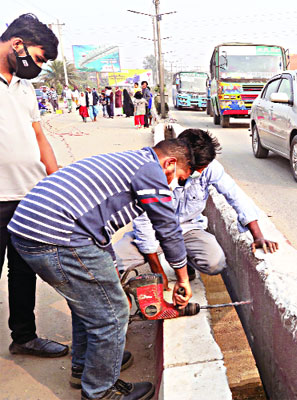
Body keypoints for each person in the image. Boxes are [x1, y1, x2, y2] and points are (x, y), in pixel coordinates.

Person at [9, 137, 195, 400]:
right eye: (177, 177)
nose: (172, 184)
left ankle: (86, 366)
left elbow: (98, 226)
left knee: (88, 303)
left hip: (30, 230)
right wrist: (183, 278)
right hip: (57, 236)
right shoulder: (151, 171)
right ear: (170, 163)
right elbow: (167, 227)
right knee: (113, 313)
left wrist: (111, 267)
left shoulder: (129, 160)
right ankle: (100, 391)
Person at [114, 127, 278, 288]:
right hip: (154, 232)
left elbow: (235, 196)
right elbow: (144, 223)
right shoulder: (153, 172)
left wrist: (257, 235)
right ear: (181, 159)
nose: (200, 172)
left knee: (215, 263)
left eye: (204, 168)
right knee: (114, 262)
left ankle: (186, 262)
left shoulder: (208, 168)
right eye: (196, 168)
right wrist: (159, 273)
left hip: (189, 229)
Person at [0, 13, 68, 360]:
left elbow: (39, 138)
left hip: (28, 197)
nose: (38, 67)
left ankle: (24, 336)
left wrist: (56, 185)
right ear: (17, 45)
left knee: (24, 271)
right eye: (38, 58)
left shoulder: (25, 87)